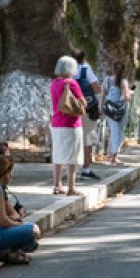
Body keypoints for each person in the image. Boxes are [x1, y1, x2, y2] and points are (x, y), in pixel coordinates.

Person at [50, 55, 86, 195]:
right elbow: (82, 102)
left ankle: (57, 185)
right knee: (72, 156)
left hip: (56, 123)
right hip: (71, 123)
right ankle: (71, 187)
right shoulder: (71, 83)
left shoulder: (54, 83)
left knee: (58, 155)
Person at [72, 49, 102, 181]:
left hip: (71, 109)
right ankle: (85, 168)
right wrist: (100, 105)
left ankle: (74, 168)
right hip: (86, 108)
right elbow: (95, 88)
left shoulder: (67, 70)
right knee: (86, 138)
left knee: (75, 138)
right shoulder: (85, 68)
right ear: (84, 58)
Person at [102, 62, 131, 165]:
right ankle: (114, 156)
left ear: (113, 69)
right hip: (120, 110)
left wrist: (101, 108)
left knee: (114, 131)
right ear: (124, 71)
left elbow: (103, 95)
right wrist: (130, 93)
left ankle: (111, 154)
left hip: (109, 109)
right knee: (120, 132)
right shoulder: (124, 82)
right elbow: (126, 97)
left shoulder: (107, 80)